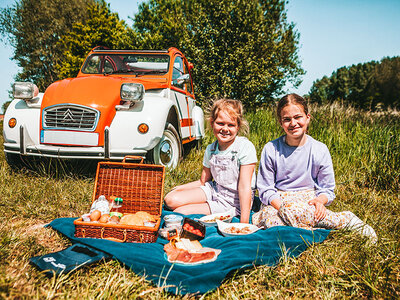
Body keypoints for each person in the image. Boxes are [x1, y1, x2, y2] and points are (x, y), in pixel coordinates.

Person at [253, 93, 377, 242]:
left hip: (308, 199)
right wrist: (281, 207)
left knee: (307, 213)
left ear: (307, 118)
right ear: (281, 123)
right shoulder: (271, 148)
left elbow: (327, 188)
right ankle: (310, 230)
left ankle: (346, 219)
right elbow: (265, 188)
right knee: (271, 222)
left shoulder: (320, 149)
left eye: (298, 117)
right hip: (279, 200)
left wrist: (320, 202)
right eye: (287, 119)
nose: (293, 123)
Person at [164, 99, 257, 223]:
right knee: (170, 199)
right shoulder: (211, 149)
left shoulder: (244, 147)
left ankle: (210, 207)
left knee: (180, 212)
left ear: (238, 126)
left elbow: (245, 186)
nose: (225, 129)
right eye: (220, 123)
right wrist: (179, 188)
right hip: (215, 190)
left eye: (231, 125)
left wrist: (243, 222)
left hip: (233, 202)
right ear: (212, 123)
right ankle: (204, 202)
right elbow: (203, 181)